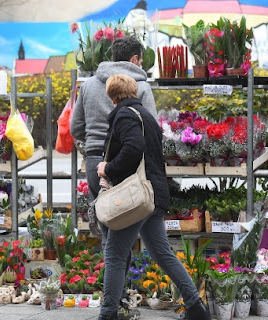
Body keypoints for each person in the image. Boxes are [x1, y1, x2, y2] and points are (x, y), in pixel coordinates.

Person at [96, 74, 211, 320]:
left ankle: (108, 314)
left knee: (115, 254)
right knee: (162, 253)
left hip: (137, 197)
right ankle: (196, 307)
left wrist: (109, 168)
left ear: (112, 96)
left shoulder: (125, 115)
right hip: (153, 195)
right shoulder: (146, 116)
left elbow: (133, 149)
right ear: (134, 92)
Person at [70, 35, 158, 317]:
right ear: (134, 59)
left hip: (95, 164)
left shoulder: (90, 84)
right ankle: (114, 305)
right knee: (120, 239)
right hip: (125, 168)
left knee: (110, 234)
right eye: (141, 60)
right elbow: (151, 127)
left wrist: (95, 145)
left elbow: (75, 127)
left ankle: (117, 301)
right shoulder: (141, 86)